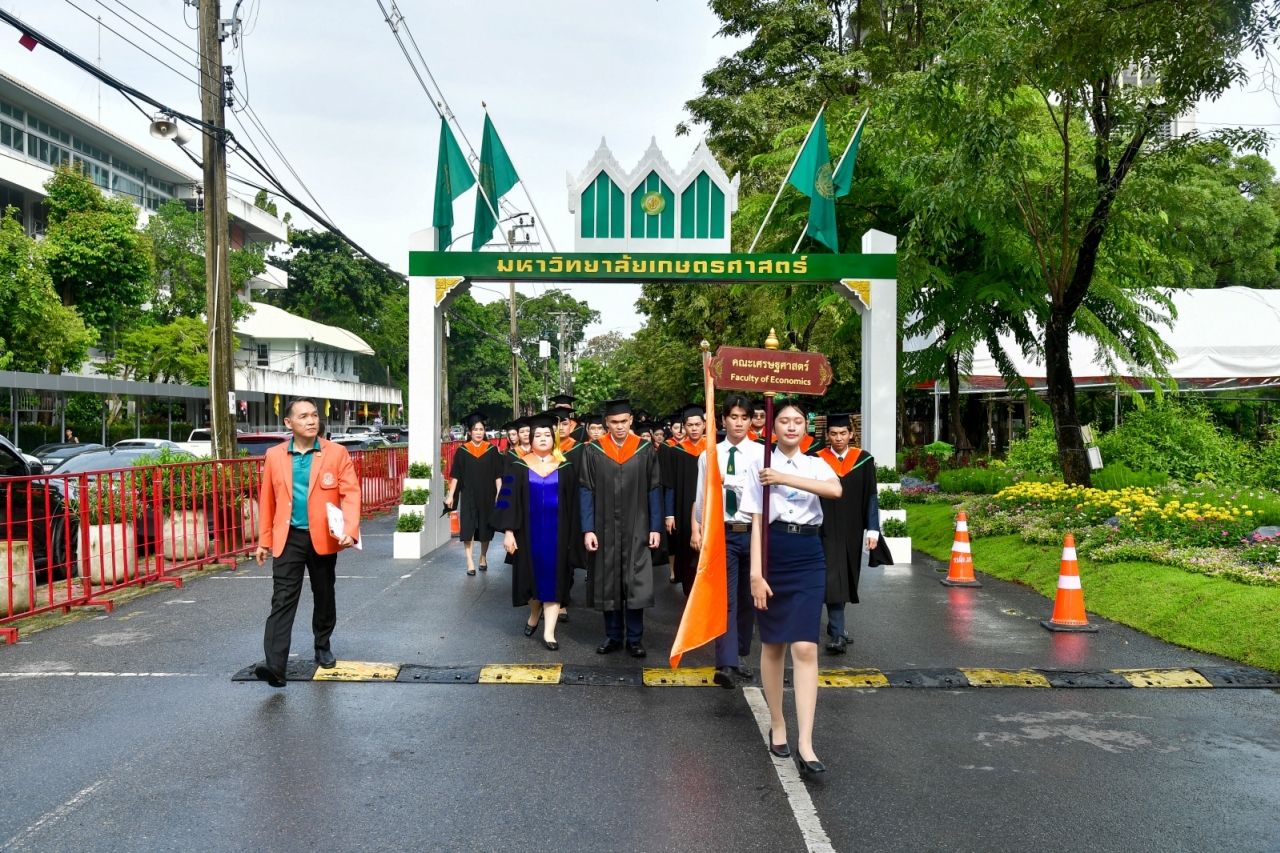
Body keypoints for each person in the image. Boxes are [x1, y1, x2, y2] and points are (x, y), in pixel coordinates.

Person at [744, 399, 842, 777]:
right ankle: (778, 723)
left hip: (807, 555)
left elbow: (835, 491)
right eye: (783, 420)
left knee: (805, 646)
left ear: (806, 428)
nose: (790, 426)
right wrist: (756, 574)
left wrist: (783, 478)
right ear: (772, 427)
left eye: (797, 421)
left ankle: (806, 742)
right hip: (772, 553)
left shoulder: (816, 464)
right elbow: (756, 522)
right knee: (773, 645)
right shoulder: (758, 463)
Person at [253, 397, 360, 688]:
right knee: (282, 598)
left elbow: (351, 493)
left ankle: (322, 644)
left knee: (323, 593)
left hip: (323, 535)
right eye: (303, 416)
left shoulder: (336, 453)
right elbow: (268, 500)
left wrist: (350, 529)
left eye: (314, 415)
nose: (311, 420)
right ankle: (275, 665)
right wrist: (264, 541)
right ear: (288, 423)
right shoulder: (274, 455)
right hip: (288, 537)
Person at [579, 398, 663, 658]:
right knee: (609, 580)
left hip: (638, 526)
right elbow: (586, 489)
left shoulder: (644, 449)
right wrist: (588, 528)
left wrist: (655, 527)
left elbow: (654, 488)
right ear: (606, 422)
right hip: (604, 527)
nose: (619, 426)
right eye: (614, 422)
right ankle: (613, 636)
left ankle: (635, 638)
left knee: (635, 580)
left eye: (624, 421)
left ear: (631, 420)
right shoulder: (594, 450)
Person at [691, 394, 762, 688]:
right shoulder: (710, 454)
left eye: (745, 418)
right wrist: (698, 527)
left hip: (753, 532)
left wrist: (731, 482)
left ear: (751, 421)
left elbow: (764, 494)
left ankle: (740, 653)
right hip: (723, 533)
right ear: (723, 420)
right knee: (727, 600)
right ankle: (726, 663)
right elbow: (702, 496)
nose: (739, 423)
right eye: (734, 417)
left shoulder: (761, 454)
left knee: (748, 600)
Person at [496, 413, 579, 650]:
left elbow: (574, 504)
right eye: (538, 435)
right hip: (526, 535)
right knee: (529, 582)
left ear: (554, 439)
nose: (543, 439)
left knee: (555, 582)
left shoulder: (566, 467)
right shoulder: (518, 466)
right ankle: (534, 613)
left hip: (557, 536)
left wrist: (574, 536)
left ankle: (549, 633)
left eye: (547, 435)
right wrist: (509, 532)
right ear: (530, 440)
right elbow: (507, 501)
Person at [814, 414, 886, 654]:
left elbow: (871, 495)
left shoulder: (863, 460)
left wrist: (873, 529)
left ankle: (837, 625)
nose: (838, 438)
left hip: (852, 528)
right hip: (824, 527)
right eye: (834, 434)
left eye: (843, 433)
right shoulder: (816, 460)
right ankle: (838, 634)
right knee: (834, 577)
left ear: (851, 434)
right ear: (827, 435)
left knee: (847, 575)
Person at [444, 412, 503, 576]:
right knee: (468, 527)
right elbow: (456, 475)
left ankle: (483, 557)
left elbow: (498, 474)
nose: (478, 432)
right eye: (475, 429)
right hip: (468, 494)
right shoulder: (462, 451)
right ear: (469, 432)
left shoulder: (491, 450)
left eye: (481, 429)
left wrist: (500, 492)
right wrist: (450, 495)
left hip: (487, 495)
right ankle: (469, 560)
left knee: (485, 528)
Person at [664, 404, 707, 596]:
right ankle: (689, 590)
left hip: (708, 507)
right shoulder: (677, 451)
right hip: (683, 509)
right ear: (684, 427)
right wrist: (669, 514)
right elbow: (670, 485)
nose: (694, 428)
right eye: (690, 425)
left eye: (697, 424)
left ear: (704, 425)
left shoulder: (712, 451)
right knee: (686, 547)